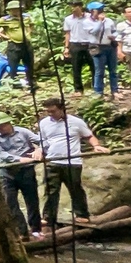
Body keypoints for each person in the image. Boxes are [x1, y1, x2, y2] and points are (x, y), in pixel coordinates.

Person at [37, 96, 106, 231]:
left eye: (53, 111)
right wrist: (40, 150)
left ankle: (81, 214)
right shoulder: (44, 123)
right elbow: (43, 140)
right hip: (52, 161)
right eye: (48, 111)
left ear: (62, 109)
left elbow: (89, 136)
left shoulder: (76, 122)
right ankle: (48, 218)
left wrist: (96, 146)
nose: (50, 114)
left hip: (72, 162)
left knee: (75, 189)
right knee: (51, 191)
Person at [0, 117, 43, 240]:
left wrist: (39, 149)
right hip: (6, 172)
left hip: (26, 171)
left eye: (1, 126)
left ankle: (36, 229)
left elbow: (42, 140)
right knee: (10, 202)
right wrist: (19, 159)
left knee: (32, 200)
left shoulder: (23, 132)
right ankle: (21, 231)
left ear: (8, 123)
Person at [0, 0, 34, 88]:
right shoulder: (5, 19)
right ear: (9, 11)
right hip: (14, 45)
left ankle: (31, 82)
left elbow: (31, 24)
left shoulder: (26, 17)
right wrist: (3, 35)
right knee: (13, 65)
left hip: (26, 44)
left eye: (17, 9)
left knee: (29, 64)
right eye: (13, 10)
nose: (16, 11)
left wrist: (29, 33)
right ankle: (14, 84)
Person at [61, 0, 97, 93]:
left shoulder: (90, 17)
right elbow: (67, 33)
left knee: (94, 67)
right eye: (71, 7)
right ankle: (78, 90)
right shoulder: (68, 19)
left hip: (90, 44)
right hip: (76, 44)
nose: (73, 9)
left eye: (75, 6)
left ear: (80, 7)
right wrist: (66, 47)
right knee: (76, 68)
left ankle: (97, 88)